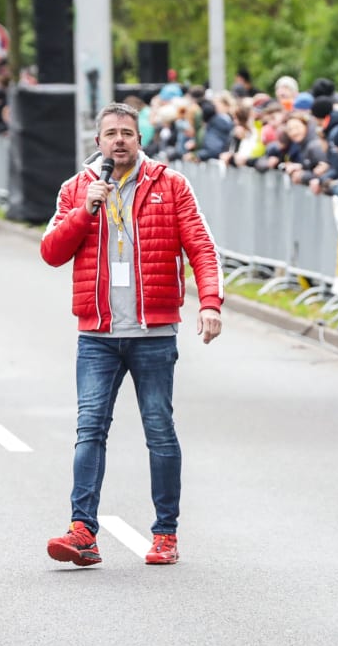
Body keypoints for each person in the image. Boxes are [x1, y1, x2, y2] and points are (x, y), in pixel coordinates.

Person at [39, 103, 225, 568]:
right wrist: (84, 212)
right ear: (97, 142)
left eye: (127, 133)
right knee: (89, 429)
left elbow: (201, 246)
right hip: (97, 334)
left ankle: (165, 534)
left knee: (159, 432)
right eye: (110, 134)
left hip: (154, 332)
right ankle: (83, 531)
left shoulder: (171, 184)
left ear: (140, 140)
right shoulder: (76, 189)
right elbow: (51, 252)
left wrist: (209, 304)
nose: (119, 140)